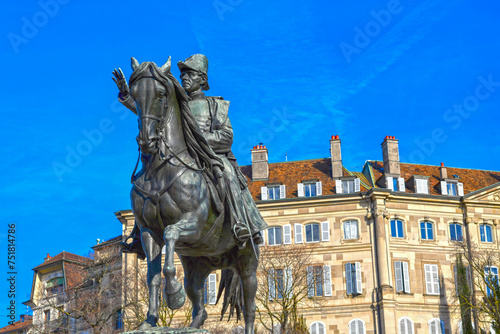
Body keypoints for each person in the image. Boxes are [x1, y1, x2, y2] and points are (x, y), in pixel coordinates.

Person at [113, 54, 267, 251]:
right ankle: (139, 235)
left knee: (228, 174)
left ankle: (240, 224)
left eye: (190, 74)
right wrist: (127, 97)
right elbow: (149, 110)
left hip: (209, 155)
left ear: (202, 79)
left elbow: (227, 137)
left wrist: (197, 139)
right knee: (147, 182)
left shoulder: (216, 105)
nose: (184, 77)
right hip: (178, 156)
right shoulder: (174, 104)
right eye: (182, 74)